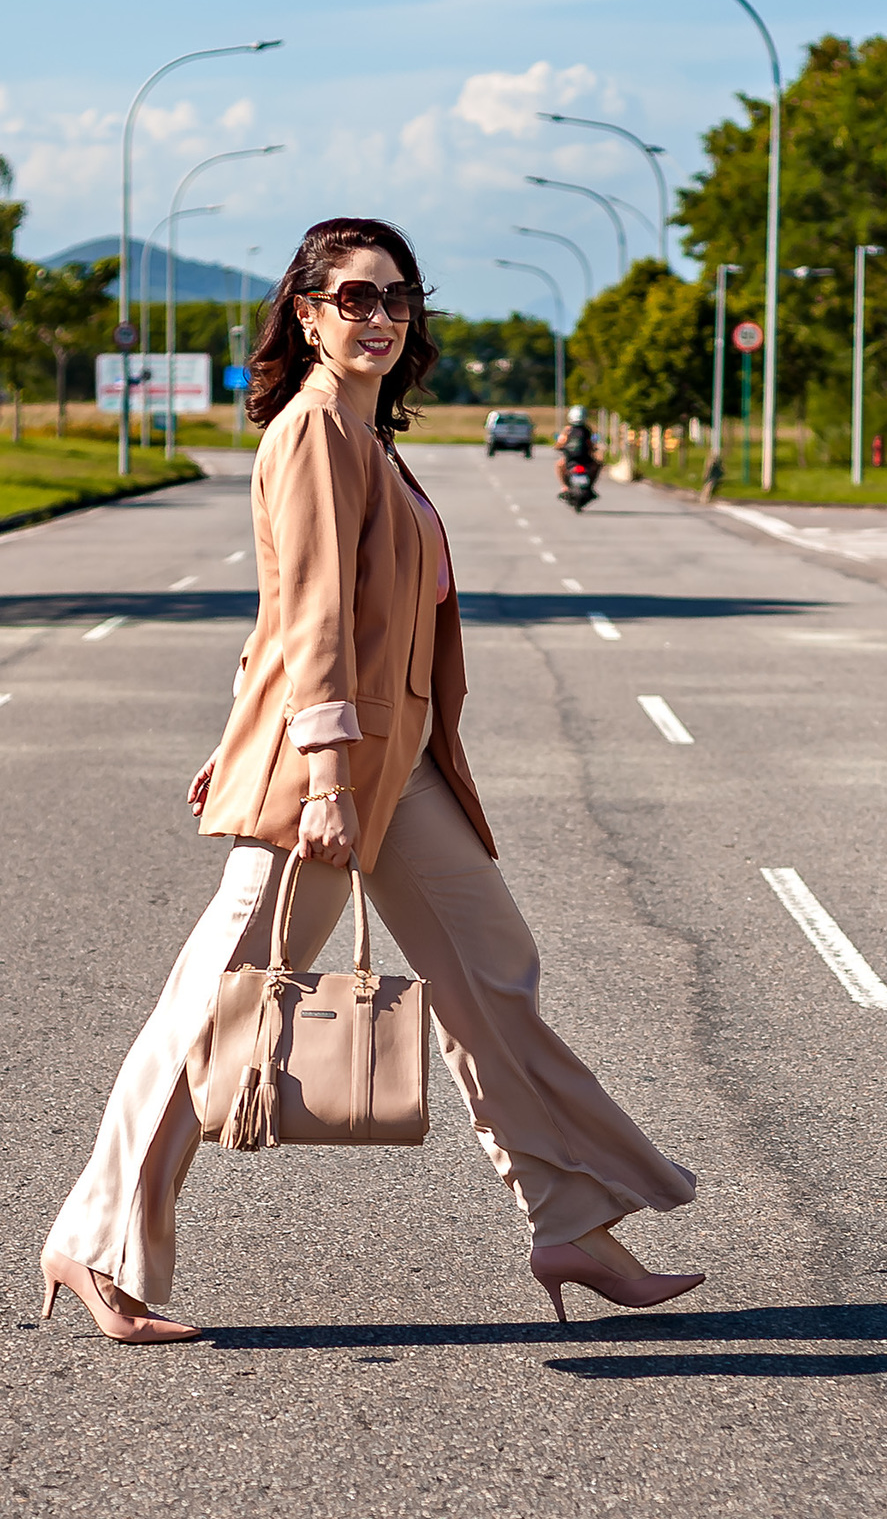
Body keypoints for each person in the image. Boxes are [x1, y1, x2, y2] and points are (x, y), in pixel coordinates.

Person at [40, 218, 703, 1342]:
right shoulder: (310, 436)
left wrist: (244, 724)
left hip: (397, 761)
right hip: (335, 773)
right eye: (354, 297)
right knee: (219, 1006)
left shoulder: (366, 439)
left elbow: (285, 616)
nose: (381, 316)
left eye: (398, 296)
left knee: (494, 972)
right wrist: (323, 775)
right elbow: (310, 618)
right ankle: (96, 1244)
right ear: (305, 313)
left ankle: (570, 1218)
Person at [556, 405, 601, 504]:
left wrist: (559, 447)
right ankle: (591, 486)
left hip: (570, 460)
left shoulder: (568, 430)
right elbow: (592, 444)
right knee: (597, 465)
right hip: (585, 459)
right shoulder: (587, 430)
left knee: (559, 465)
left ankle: (564, 487)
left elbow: (560, 443)